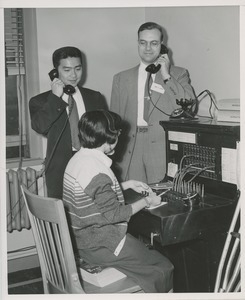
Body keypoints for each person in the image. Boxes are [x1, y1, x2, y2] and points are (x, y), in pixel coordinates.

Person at [63, 110, 174, 293]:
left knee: (143, 255)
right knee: (163, 266)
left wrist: (127, 184)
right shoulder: (98, 171)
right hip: (102, 245)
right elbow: (115, 214)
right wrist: (148, 200)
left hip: (83, 241)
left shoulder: (77, 160)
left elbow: (92, 194)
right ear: (110, 139)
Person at [110, 22, 195, 184]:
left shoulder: (178, 74)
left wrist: (166, 76)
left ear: (162, 46)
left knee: (162, 201)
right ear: (138, 44)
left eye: (154, 43)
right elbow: (115, 120)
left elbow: (189, 108)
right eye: (143, 43)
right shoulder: (121, 78)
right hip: (129, 147)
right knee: (134, 198)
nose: (148, 48)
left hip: (161, 148)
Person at [29, 46, 107, 199]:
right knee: (63, 217)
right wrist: (55, 98)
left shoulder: (95, 97)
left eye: (78, 69)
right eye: (67, 70)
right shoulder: (40, 101)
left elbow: (105, 132)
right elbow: (39, 126)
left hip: (93, 165)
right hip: (60, 170)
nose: (73, 75)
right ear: (55, 72)